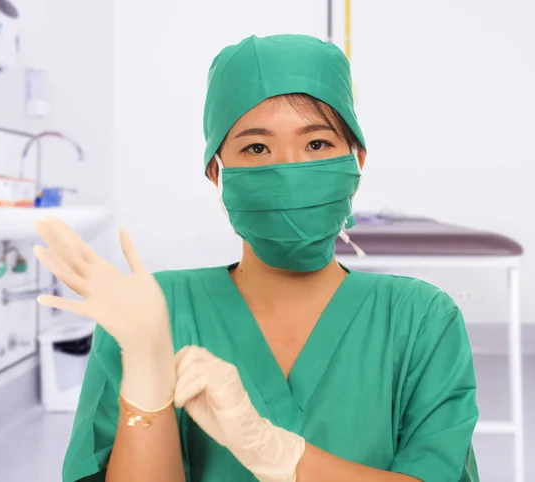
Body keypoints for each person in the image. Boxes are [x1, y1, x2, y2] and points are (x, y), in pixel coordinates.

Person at [35, 34, 480, 482]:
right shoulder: (152, 312)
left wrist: (275, 452)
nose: (288, 170)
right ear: (216, 171)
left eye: (317, 144)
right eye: (257, 148)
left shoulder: (420, 318)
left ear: (356, 160)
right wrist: (147, 382)